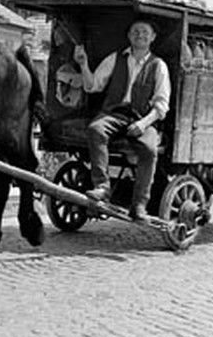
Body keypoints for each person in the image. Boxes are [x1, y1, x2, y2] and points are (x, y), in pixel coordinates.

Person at [72, 18, 171, 221]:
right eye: (135, 31)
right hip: (114, 114)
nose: (140, 35)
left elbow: (161, 105)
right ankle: (102, 187)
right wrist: (83, 64)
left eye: (145, 32)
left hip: (144, 119)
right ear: (128, 36)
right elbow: (93, 86)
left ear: (152, 37)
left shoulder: (158, 66)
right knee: (95, 129)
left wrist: (143, 124)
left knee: (149, 150)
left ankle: (140, 205)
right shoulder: (115, 58)